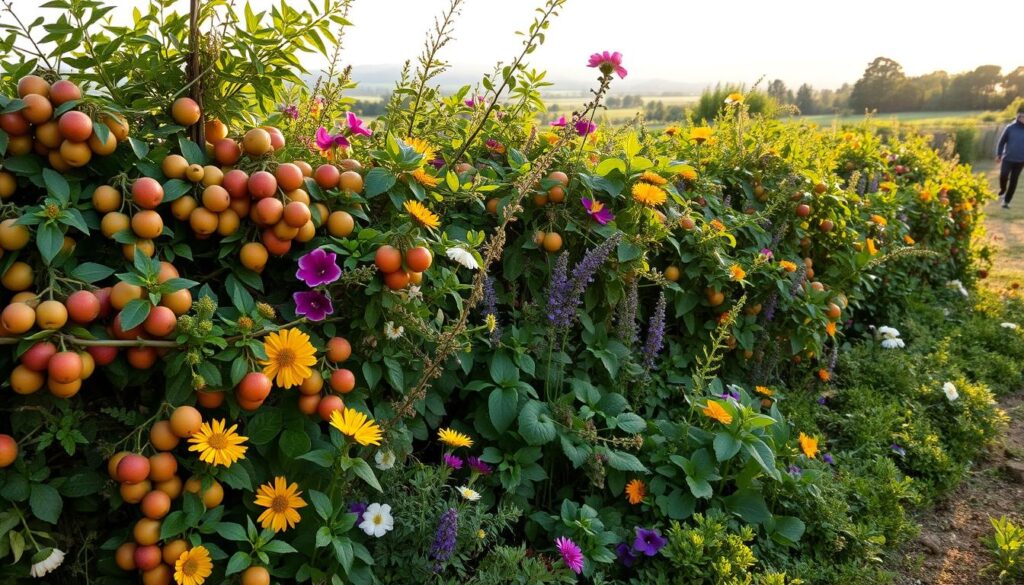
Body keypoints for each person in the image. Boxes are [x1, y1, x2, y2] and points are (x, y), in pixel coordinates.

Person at [996, 107, 1024, 208]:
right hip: (1007, 158)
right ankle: (1003, 190)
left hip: (1021, 161)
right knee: (1003, 176)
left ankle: (1006, 201)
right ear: (1019, 116)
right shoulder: (1010, 128)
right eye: (1023, 116)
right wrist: (999, 154)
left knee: (1014, 181)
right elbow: (1001, 142)